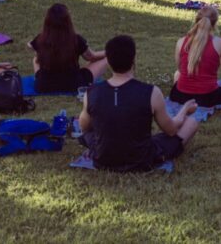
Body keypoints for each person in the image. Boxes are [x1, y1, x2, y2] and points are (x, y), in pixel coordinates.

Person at [79, 35, 200, 172]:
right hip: (142, 160)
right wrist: (184, 110)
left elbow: (84, 127)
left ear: (109, 62)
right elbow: (171, 130)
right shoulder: (151, 92)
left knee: (88, 133)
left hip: (102, 159)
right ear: (133, 60)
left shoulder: (91, 92)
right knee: (191, 123)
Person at [30, 3, 107, 93]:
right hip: (74, 85)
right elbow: (91, 57)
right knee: (105, 59)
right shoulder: (76, 39)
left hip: (43, 86)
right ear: (68, 21)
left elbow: (32, 47)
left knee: (36, 59)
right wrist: (109, 52)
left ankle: (41, 78)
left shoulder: (40, 39)